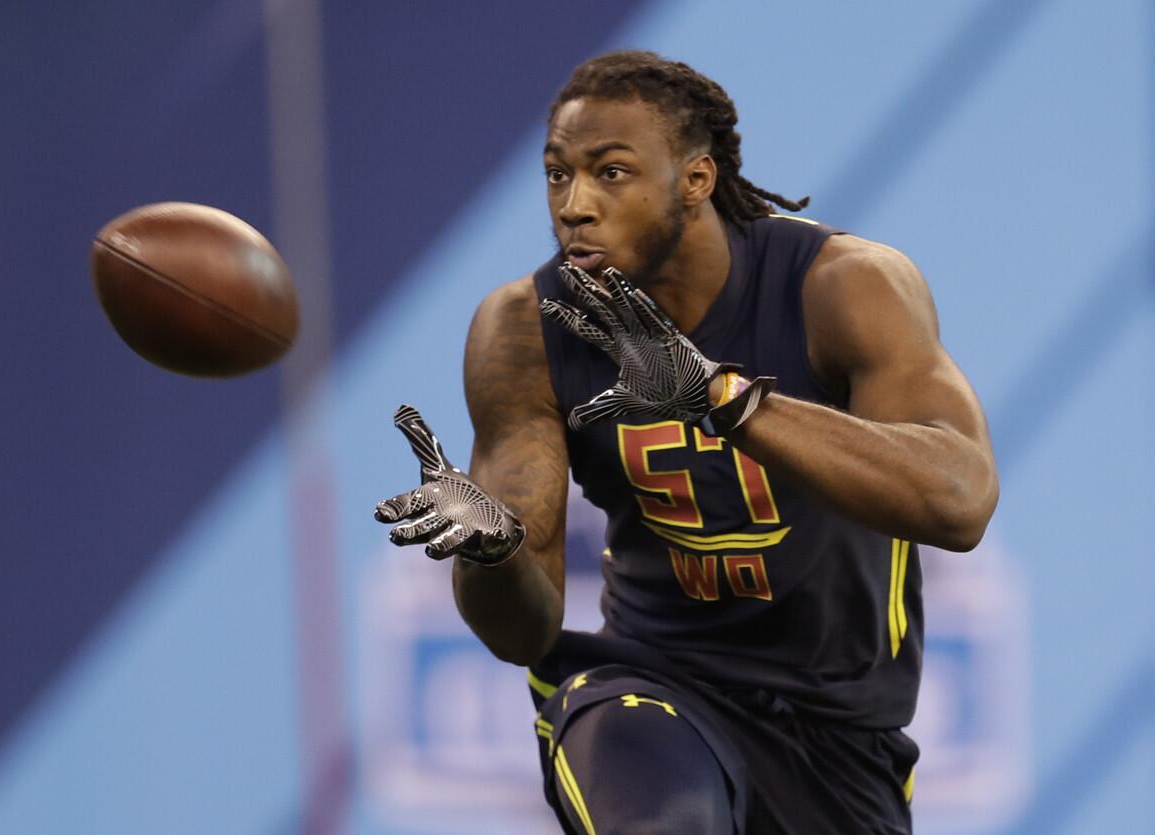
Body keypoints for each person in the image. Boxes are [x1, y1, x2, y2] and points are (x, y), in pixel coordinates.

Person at [375, 50, 998, 835]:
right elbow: (521, 631)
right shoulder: (527, 329)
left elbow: (960, 499)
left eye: (610, 173)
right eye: (558, 174)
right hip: (647, 687)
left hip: (839, 731)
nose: (574, 205)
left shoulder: (843, 286)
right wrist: (493, 553)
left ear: (695, 180)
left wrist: (720, 398)